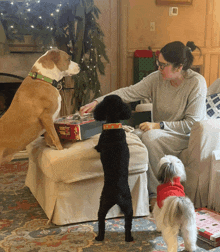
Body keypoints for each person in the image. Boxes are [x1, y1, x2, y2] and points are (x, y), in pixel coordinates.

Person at [80, 41, 207, 210]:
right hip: (160, 132)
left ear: (179, 67)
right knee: (130, 136)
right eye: (157, 63)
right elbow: (127, 92)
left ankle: (155, 194)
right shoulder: (157, 78)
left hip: (186, 135)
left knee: (150, 137)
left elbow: (192, 123)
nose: (158, 68)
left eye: (163, 65)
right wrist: (98, 101)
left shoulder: (196, 83)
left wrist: (158, 125)